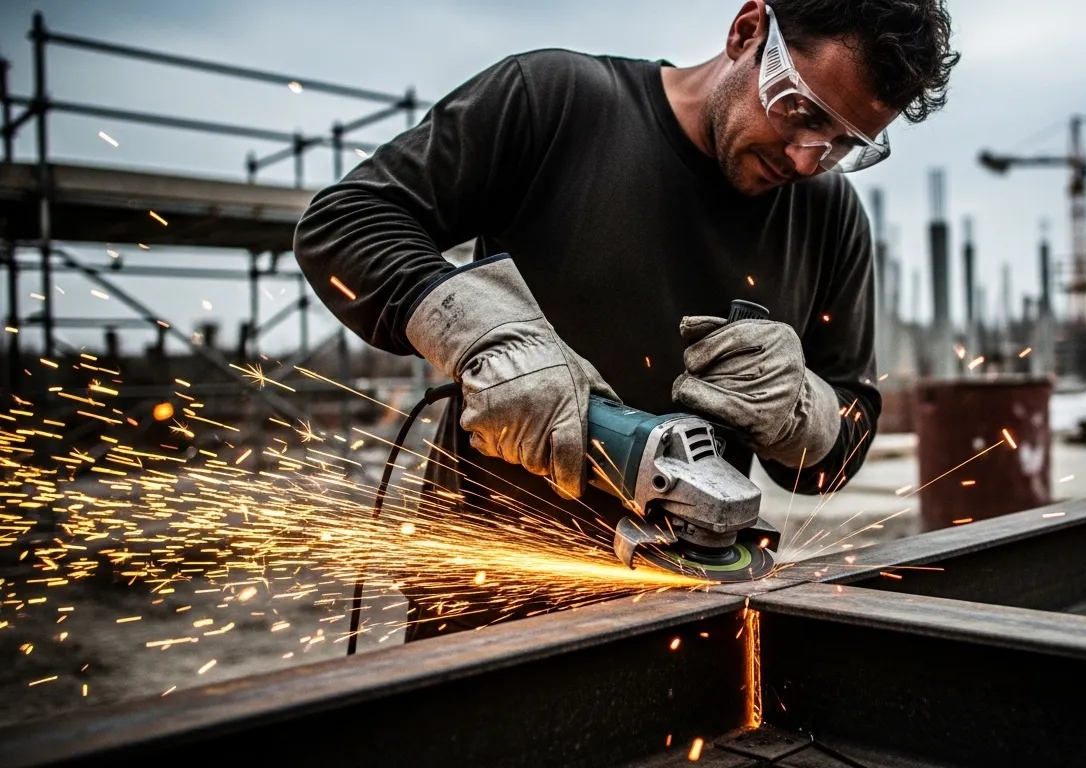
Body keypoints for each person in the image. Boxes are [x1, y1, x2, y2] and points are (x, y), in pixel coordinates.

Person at [294, 0, 958, 640]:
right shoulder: (559, 102)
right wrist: (483, 335)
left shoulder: (828, 217)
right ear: (748, 29)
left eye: (844, 143)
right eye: (801, 111)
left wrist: (802, 411)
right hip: (484, 595)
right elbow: (346, 223)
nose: (808, 157)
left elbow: (836, 455)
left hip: (696, 607)